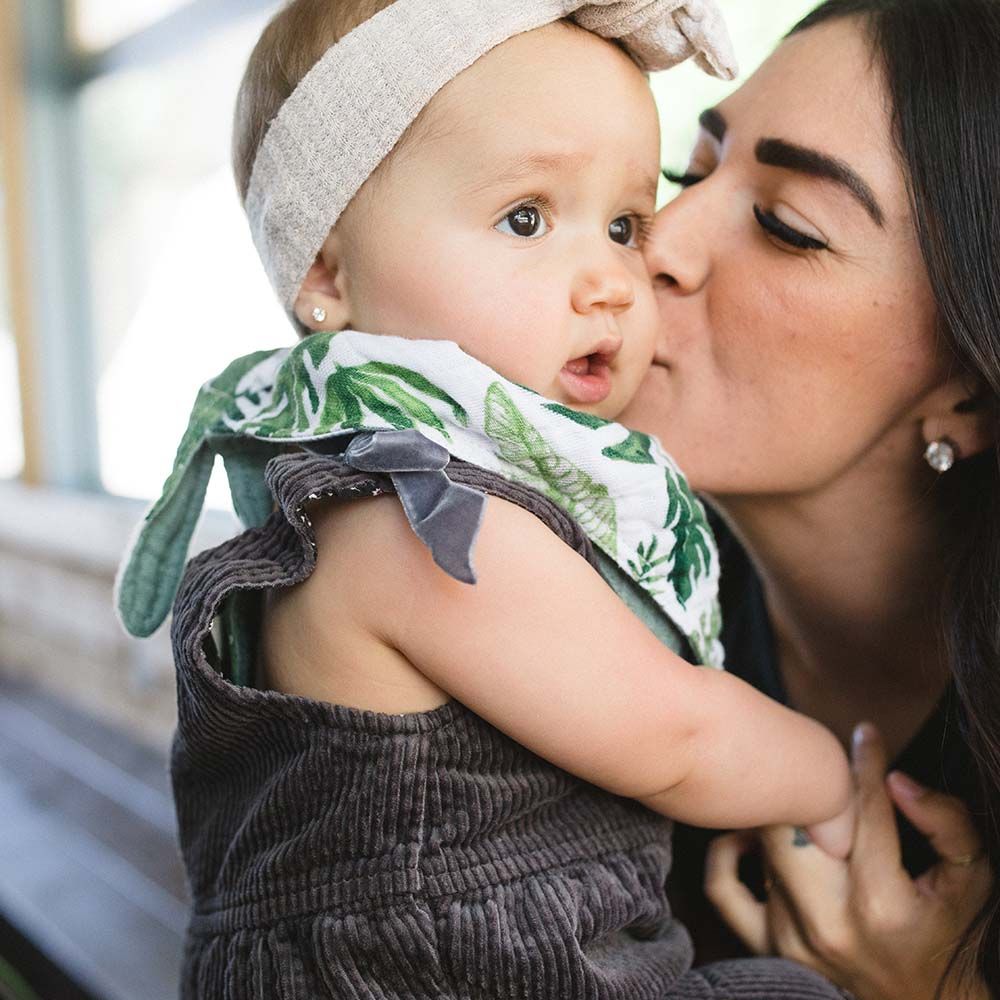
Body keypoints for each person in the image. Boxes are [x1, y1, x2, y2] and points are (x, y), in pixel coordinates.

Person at [114, 1, 858, 997]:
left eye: (625, 223)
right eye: (525, 218)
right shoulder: (414, 516)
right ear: (327, 268)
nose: (609, 280)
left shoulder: (492, 490)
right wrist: (830, 773)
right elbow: (675, 734)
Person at [620, 1, 999, 996]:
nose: (657, 238)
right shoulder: (571, 599)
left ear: (963, 386)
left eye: (785, 227)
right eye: (688, 173)